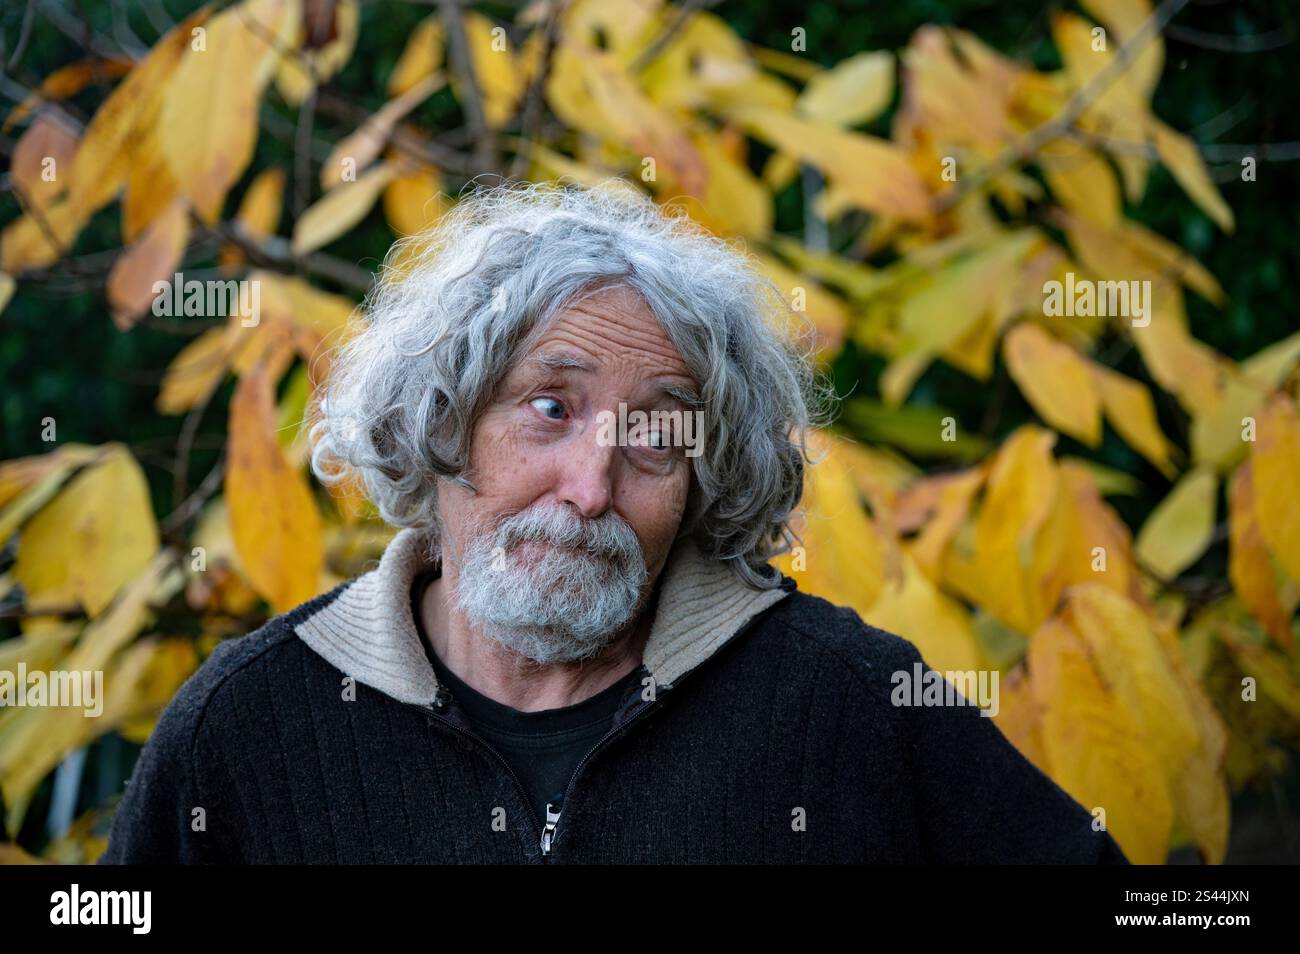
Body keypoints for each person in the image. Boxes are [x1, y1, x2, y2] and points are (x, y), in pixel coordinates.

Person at [100, 179, 1128, 864]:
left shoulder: (843, 698)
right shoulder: (250, 723)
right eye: (550, 407)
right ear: (444, 418)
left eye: (655, 436)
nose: (591, 488)